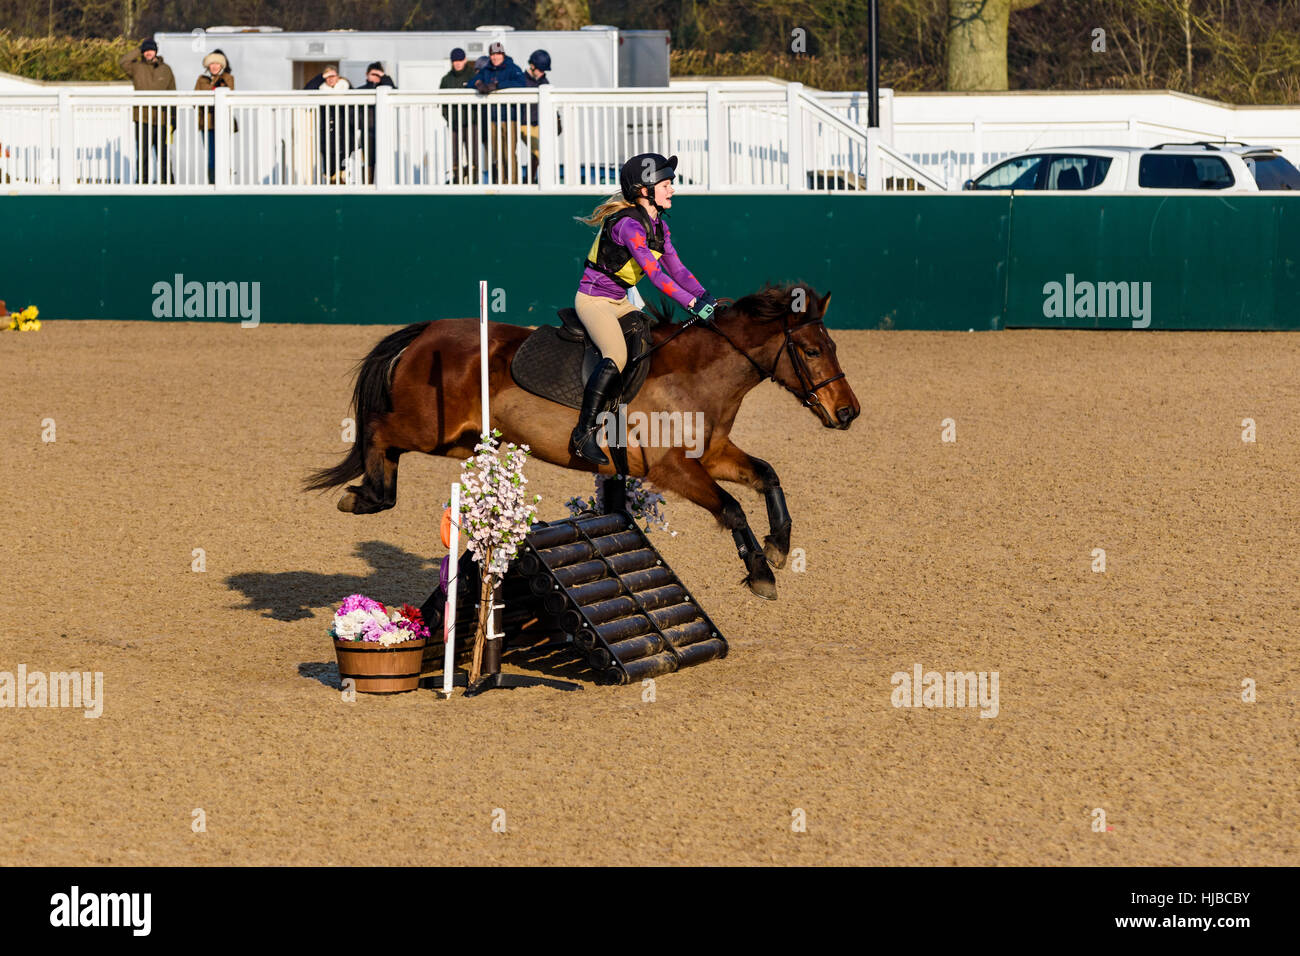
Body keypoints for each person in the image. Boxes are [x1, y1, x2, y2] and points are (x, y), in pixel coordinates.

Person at [570, 153, 718, 465]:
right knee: (617, 355)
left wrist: (706, 296)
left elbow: (677, 270)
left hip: (620, 302)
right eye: (666, 184)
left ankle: (623, 416)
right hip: (594, 301)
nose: (673, 189)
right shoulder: (627, 225)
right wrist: (692, 305)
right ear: (645, 190)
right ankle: (583, 434)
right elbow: (656, 276)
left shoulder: (658, 227)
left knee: (647, 342)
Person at [119, 39, 176, 184]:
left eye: (151, 50)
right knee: (143, 153)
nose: (148, 53)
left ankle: (166, 180)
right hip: (142, 118)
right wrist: (139, 48)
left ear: (156, 51)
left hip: (162, 118)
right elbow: (123, 62)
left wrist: (173, 117)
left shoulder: (166, 69)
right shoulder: (137, 67)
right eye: (146, 50)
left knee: (163, 153)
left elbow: (172, 92)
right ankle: (142, 181)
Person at [470, 41, 526, 184]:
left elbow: (521, 84)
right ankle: (502, 181)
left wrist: (498, 86)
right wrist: (479, 84)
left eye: (498, 54)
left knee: (509, 154)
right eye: (493, 54)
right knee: (497, 154)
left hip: (509, 118)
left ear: (503, 54)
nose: (495, 57)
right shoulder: (486, 70)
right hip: (492, 118)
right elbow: (471, 82)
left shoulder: (513, 68)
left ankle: (513, 183)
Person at [304, 66, 356, 183]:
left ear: (338, 76)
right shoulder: (321, 90)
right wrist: (320, 77)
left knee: (345, 164)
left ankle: (343, 185)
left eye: (332, 76)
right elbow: (306, 89)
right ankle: (331, 184)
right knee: (329, 164)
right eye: (327, 77)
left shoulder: (346, 88)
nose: (330, 79)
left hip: (345, 132)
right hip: (327, 133)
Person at [194, 49, 234, 185]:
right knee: (211, 155)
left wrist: (213, 92)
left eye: (217, 64)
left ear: (222, 65)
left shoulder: (227, 78)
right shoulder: (201, 79)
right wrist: (211, 92)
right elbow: (196, 99)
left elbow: (229, 93)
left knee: (222, 153)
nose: (214, 67)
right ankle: (213, 182)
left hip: (222, 122)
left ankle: (225, 181)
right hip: (207, 122)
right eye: (212, 64)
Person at [440, 48, 478, 184]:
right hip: (454, 123)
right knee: (454, 154)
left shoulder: (473, 76)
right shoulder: (446, 80)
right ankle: (457, 179)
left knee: (473, 154)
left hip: (471, 123)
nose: (457, 63)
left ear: (465, 60)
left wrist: (475, 119)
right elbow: (442, 103)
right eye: (455, 61)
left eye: (460, 60)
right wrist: (449, 118)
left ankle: (474, 179)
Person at [357, 61, 396, 185]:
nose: (375, 77)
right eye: (372, 74)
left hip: (383, 131)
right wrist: (361, 123)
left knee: (384, 159)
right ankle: (368, 186)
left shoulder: (387, 88)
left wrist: (383, 77)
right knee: (368, 161)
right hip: (367, 131)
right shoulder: (360, 91)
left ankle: (384, 185)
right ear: (366, 74)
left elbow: (395, 90)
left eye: (378, 75)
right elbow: (352, 112)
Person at [521, 49, 551, 182]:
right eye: (540, 69)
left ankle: (530, 178)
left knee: (541, 152)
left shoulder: (544, 81)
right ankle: (529, 179)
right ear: (532, 66)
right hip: (523, 122)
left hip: (538, 123)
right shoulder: (521, 80)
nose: (542, 73)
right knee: (538, 151)